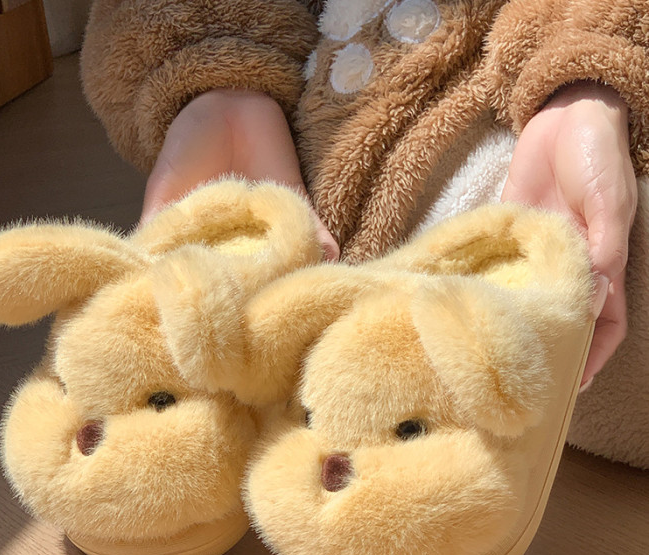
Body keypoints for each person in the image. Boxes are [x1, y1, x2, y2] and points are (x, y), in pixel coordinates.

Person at [80, 0, 649, 467]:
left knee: (608, 263)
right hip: (299, 74)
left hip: (515, 73)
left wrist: (594, 70)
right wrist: (213, 77)